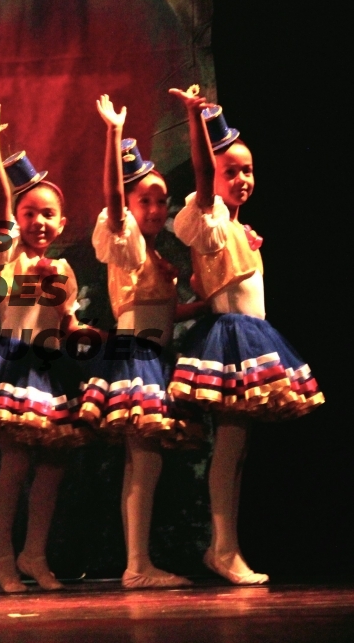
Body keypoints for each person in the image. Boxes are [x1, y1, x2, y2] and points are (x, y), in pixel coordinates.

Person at [169, 90, 324, 584]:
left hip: (254, 338)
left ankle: (226, 546)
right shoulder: (208, 219)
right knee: (230, 447)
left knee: (238, 451)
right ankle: (223, 549)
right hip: (231, 341)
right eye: (230, 171)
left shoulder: (240, 229)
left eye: (247, 171)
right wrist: (195, 119)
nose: (242, 179)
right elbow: (200, 174)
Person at [0, 96, 89, 592]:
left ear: (61, 223)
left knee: (53, 465)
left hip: (50, 370)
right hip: (13, 367)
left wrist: (83, 332)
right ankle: (1, 552)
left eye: (47, 214)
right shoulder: (8, 254)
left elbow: (69, 322)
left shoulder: (64, 270)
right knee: (15, 463)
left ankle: (34, 552)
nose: (38, 221)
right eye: (29, 212)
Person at [82, 94, 207, 588]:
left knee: (146, 463)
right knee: (144, 461)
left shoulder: (158, 258)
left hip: (155, 357)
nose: (155, 209)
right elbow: (114, 204)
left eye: (161, 201)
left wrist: (205, 305)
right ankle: (137, 565)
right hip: (135, 358)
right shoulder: (126, 244)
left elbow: (165, 313)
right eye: (145, 201)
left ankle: (139, 562)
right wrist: (114, 135)